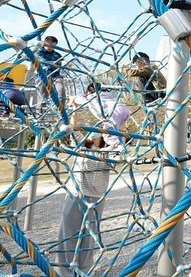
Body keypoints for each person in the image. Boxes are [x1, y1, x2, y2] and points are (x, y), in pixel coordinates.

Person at [57, 111, 110, 276]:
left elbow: (119, 146)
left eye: (98, 134)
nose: (95, 136)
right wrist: (75, 108)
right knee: (68, 232)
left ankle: (85, 270)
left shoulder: (108, 151)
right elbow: (72, 128)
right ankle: (65, 270)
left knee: (89, 235)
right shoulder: (81, 146)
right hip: (77, 194)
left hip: (96, 198)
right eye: (93, 133)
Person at [71, 82, 131, 151]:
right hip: (123, 110)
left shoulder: (91, 97)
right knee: (114, 129)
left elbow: (80, 100)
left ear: (90, 90)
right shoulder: (107, 95)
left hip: (113, 112)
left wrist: (74, 99)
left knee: (107, 132)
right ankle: (117, 144)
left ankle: (118, 146)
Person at [35, 35, 66, 106]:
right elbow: (44, 61)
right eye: (49, 45)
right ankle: (40, 113)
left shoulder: (57, 55)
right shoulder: (38, 53)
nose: (50, 47)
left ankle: (61, 109)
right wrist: (59, 63)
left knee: (61, 89)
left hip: (55, 76)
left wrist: (65, 63)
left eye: (53, 46)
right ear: (44, 43)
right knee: (43, 97)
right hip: (43, 76)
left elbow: (64, 63)